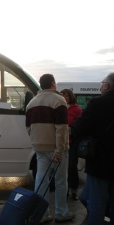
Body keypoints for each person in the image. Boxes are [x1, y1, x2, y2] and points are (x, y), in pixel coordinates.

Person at [26, 74, 75, 223]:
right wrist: (59, 151)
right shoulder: (58, 100)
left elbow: (28, 128)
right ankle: (61, 212)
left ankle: (42, 214)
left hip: (39, 148)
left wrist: (37, 141)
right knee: (60, 181)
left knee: (41, 179)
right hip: (56, 149)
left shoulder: (31, 103)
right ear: (53, 84)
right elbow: (61, 129)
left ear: (41, 85)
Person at [74, 73, 114, 225]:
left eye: (102, 84)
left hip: (101, 162)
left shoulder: (98, 103)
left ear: (107, 86)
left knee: (96, 202)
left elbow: (80, 128)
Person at [60, 89, 82, 200]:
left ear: (70, 97)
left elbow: (80, 126)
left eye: (66, 96)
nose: (64, 97)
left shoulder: (77, 110)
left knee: (72, 167)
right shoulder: (59, 108)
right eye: (63, 95)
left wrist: (70, 129)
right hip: (61, 142)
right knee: (63, 168)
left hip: (72, 143)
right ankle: (65, 190)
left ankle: (74, 190)